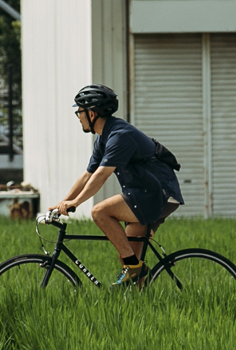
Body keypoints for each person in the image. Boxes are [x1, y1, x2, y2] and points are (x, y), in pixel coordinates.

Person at [48, 83, 183, 286]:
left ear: (92, 114)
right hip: (146, 194)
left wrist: (76, 202)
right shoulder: (104, 139)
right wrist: (63, 203)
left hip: (156, 194)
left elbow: (101, 175)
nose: (78, 117)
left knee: (100, 212)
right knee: (127, 257)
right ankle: (142, 301)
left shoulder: (120, 136)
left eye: (79, 112)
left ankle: (135, 269)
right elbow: (87, 175)